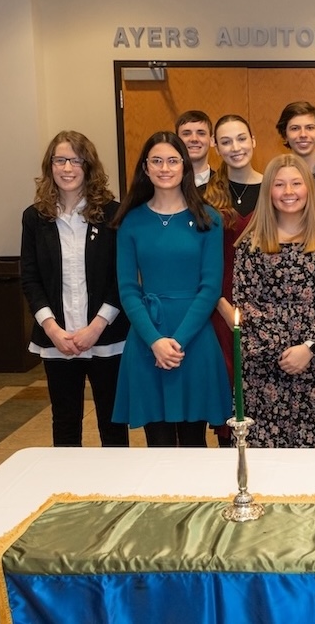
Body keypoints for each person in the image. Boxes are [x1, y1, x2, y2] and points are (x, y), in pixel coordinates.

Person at [111, 132, 231, 447]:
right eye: (157, 161)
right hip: (148, 338)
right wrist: (155, 342)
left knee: (194, 442)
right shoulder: (131, 221)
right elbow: (127, 288)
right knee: (158, 443)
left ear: (184, 167)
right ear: (145, 169)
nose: (165, 168)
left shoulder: (209, 219)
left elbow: (210, 288)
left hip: (193, 339)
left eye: (173, 161)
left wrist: (176, 342)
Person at [233, 155, 315, 448]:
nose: (288, 192)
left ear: (309, 189)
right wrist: (284, 353)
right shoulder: (252, 243)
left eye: (296, 183)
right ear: (268, 192)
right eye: (279, 184)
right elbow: (245, 304)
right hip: (266, 373)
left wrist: (308, 349)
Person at [20, 131, 129, 447]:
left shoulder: (112, 213)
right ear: (50, 165)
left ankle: (118, 492)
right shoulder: (35, 217)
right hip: (58, 340)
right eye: (60, 160)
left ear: (88, 165)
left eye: (76, 160)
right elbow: (30, 278)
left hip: (106, 338)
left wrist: (96, 328)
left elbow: (121, 277)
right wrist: (52, 329)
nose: (67, 168)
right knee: (65, 424)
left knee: (113, 425)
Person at [203, 114, 263, 446]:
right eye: (225, 141)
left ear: (254, 140)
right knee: (227, 382)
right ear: (215, 146)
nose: (235, 147)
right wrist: (222, 305)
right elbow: (198, 259)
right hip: (219, 303)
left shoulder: (274, 187)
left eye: (241, 138)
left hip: (267, 303)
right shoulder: (205, 195)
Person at [275, 100, 315, 194]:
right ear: (285, 135)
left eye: (310, 128)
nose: (303, 135)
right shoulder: (275, 176)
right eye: (295, 128)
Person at [175, 110, 214, 190]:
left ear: (212, 140)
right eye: (186, 133)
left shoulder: (224, 186)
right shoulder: (166, 184)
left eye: (201, 133)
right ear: (176, 140)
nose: (194, 139)